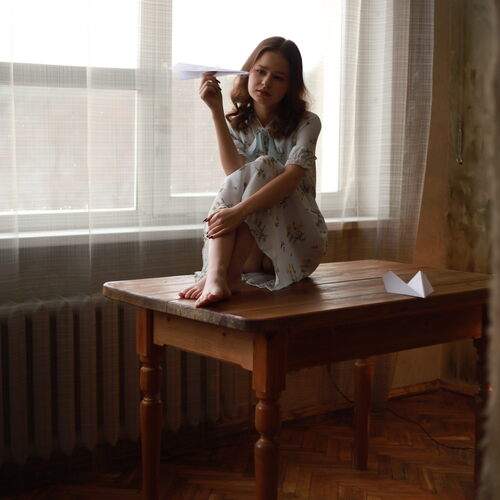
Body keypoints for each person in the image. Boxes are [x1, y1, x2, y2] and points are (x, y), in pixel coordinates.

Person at [178, 36, 328, 307]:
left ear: (290, 86)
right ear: (248, 72)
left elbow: (292, 178)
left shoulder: (308, 123)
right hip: (252, 252)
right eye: (260, 72)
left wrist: (238, 213)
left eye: (278, 77)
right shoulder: (240, 124)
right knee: (249, 176)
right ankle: (218, 276)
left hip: (297, 245)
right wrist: (216, 110)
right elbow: (235, 175)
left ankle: (223, 276)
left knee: (267, 166)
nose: (266, 82)